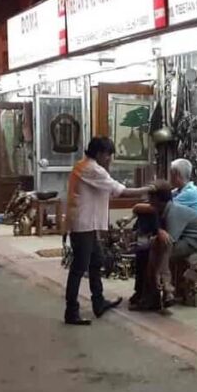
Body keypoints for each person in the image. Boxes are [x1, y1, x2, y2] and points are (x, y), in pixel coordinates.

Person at [64, 137, 148, 326]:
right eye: (108, 154)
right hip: (83, 224)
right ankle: (71, 311)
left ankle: (99, 301)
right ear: (100, 153)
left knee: (96, 261)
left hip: (87, 224)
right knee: (79, 268)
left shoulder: (84, 165)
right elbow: (119, 190)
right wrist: (148, 190)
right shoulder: (92, 169)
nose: (110, 158)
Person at [131, 180, 197, 312]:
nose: (149, 201)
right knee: (145, 251)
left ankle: (157, 295)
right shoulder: (161, 210)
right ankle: (150, 293)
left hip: (195, 242)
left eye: (152, 198)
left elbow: (168, 241)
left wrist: (154, 239)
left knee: (156, 253)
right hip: (180, 239)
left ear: (159, 199)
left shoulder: (173, 212)